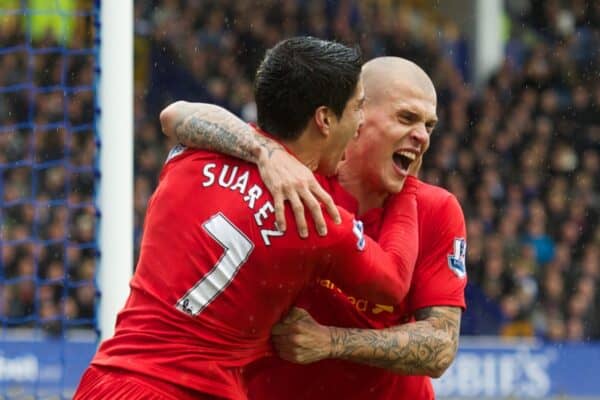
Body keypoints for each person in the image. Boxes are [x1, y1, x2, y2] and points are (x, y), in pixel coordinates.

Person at [74, 38, 422, 400]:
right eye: (358, 107)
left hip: (108, 381)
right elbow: (393, 282)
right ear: (324, 119)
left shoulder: (191, 156)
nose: (362, 121)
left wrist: (264, 149)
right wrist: (408, 182)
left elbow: (174, 115)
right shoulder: (316, 217)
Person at [162, 56, 466, 399]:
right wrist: (266, 153)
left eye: (429, 126)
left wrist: (332, 341)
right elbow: (177, 116)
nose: (422, 137)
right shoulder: (294, 181)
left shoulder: (436, 210)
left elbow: (441, 345)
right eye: (407, 118)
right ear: (359, 115)